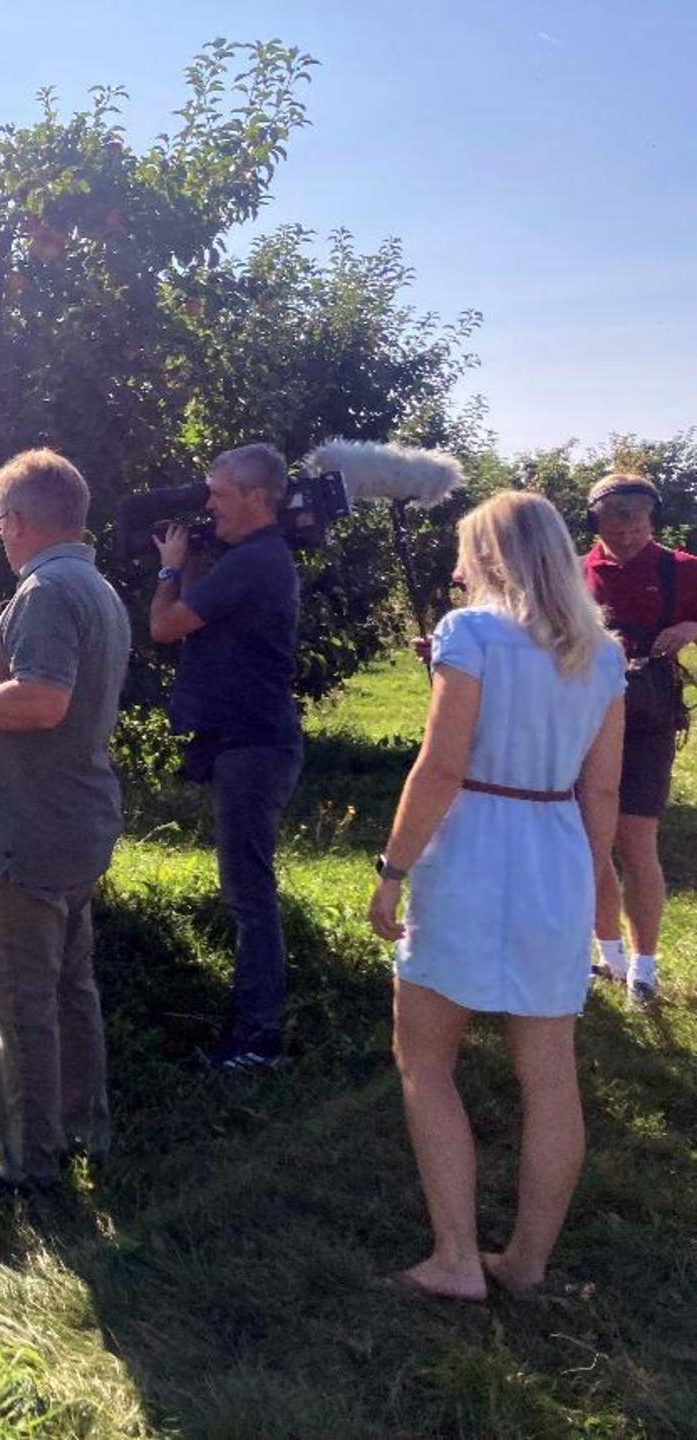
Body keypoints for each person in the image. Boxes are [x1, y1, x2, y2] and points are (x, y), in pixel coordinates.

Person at [368, 491, 625, 1301]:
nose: (452, 568)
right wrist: (595, 888)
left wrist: (391, 870)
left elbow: (439, 769)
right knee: (549, 1074)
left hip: (470, 853)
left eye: (463, 552)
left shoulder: (468, 633)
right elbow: (603, 792)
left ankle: (453, 1259)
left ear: (489, 556)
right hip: (554, 849)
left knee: (425, 1062)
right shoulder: (602, 652)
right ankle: (525, 1263)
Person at [0, 448, 131, 1198]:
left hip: (20, 837)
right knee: (71, 990)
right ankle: (84, 1132)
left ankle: (29, 1169)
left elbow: (41, 701)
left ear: (15, 521)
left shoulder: (46, 592)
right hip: (67, 825)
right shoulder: (92, 585)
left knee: (20, 1003)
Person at [150, 443, 303, 1071]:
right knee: (248, 891)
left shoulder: (255, 561)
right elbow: (201, 617)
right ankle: (253, 1029)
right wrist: (192, 568)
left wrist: (168, 569)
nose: (208, 503)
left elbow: (164, 627)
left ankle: (258, 1041)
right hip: (255, 741)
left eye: (218, 493)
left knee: (249, 897)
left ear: (256, 497)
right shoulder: (254, 560)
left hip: (253, 745)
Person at [581, 474, 696, 1006]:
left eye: (640, 513)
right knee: (591, 839)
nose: (630, 526)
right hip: (587, 715)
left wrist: (691, 627)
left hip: (650, 716)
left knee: (635, 836)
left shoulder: (680, 568)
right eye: (618, 513)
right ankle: (609, 956)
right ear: (596, 518)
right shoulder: (578, 571)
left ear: (653, 515)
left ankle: (644, 970)